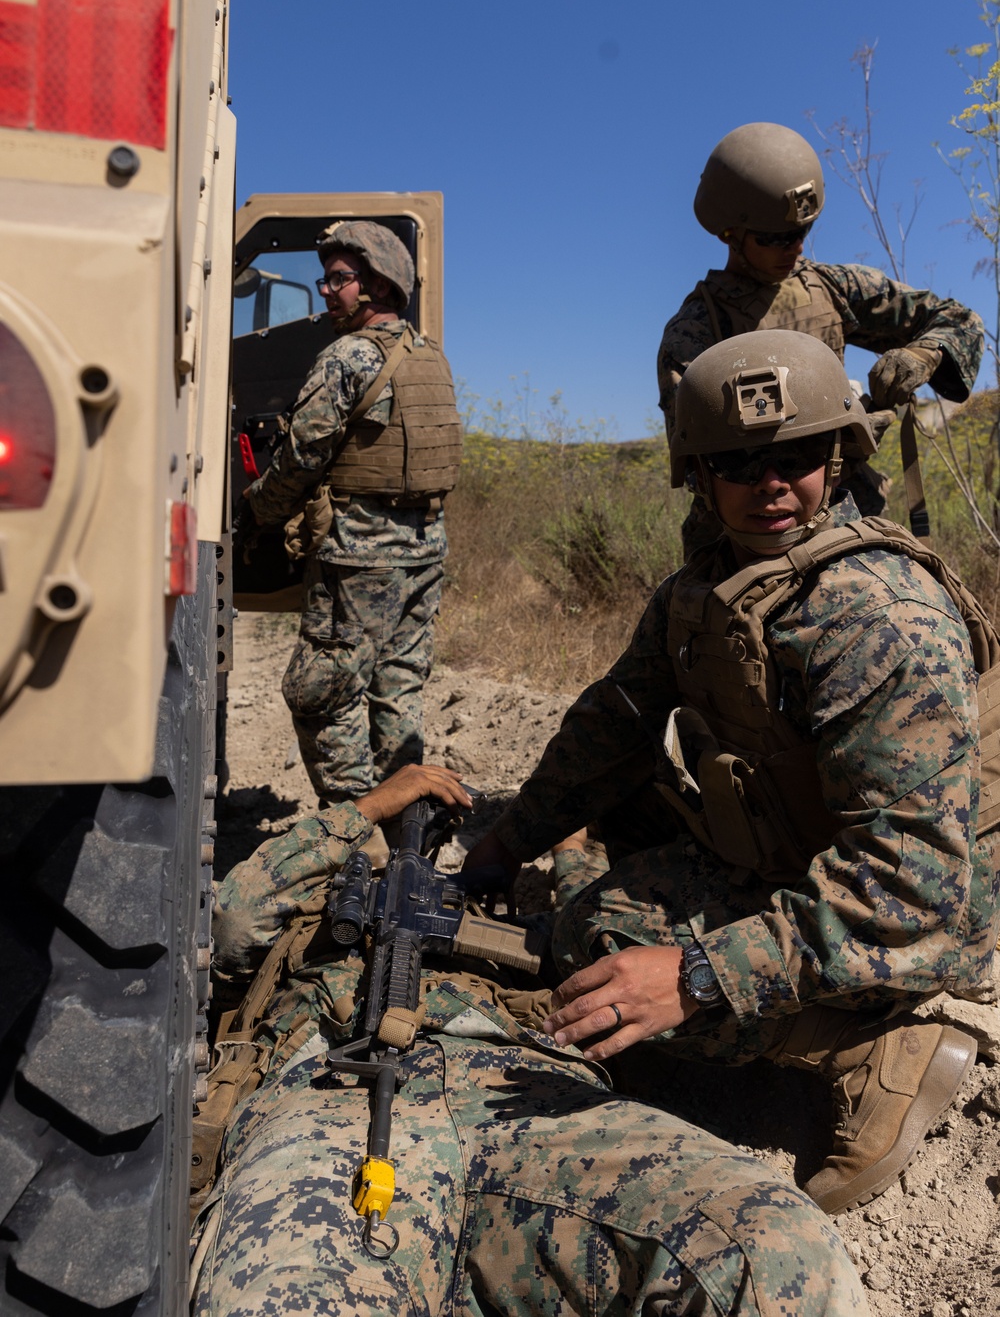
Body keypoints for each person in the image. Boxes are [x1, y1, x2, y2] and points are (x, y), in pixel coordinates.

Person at [466, 329, 998, 1218]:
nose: (772, 484)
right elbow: (613, 727)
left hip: (912, 917)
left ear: (837, 455)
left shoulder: (874, 618)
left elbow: (914, 885)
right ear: (699, 477)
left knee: (605, 956)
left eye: (797, 455)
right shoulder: (707, 587)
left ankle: (878, 1047)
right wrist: (501, 843)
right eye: (740, 461)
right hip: (806, 857)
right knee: (592, 910)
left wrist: (695, 974)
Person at [190, 763, 869, 1317]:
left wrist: (569, 852)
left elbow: (598, 930)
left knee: (778, 1255)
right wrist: (372, 805)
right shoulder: (307, 929)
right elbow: (233, 916)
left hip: (528, 1094)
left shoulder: (510, 930)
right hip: (336, 1093)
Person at [658, 122, 985, 553]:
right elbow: (702, 459)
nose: (794, 248)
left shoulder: (833, 287)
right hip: (741, 536)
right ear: (729, 234)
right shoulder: (696, 328)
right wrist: (842, 431)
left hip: (843, 515)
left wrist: (923, 355)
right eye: (776, 238)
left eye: (802, 233)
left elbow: (958, 319)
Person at [244, 220, 463, 804]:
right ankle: (405, 822)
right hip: (424, 554)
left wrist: (258, 511)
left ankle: (353, 826)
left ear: (380, 286)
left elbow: (301, 457)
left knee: (319, 690)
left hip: (360, 559)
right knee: (398, 687)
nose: (325, 290)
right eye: (326, 278)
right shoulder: (430, 357)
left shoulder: (346, 357)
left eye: (339, 279)